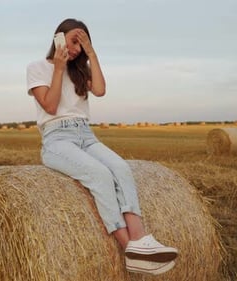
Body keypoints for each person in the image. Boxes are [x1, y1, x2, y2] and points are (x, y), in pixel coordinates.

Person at [26, 18, 178, 275]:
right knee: (99, 175)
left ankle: (140, 240)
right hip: (57, 139)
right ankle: (128, 246)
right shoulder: (38, 67)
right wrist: (59, 68)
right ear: (58, 38)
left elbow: (100, 89)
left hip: (86, 135)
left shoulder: (79, 71)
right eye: (74, 40)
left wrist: (91, 53)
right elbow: (50, 106)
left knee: (121, 168)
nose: (77, 48)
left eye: (82, 43)